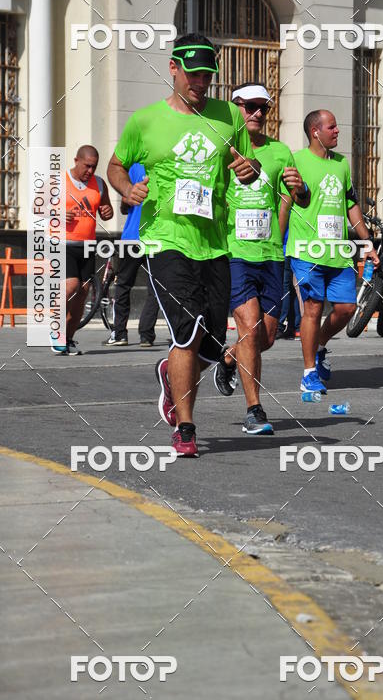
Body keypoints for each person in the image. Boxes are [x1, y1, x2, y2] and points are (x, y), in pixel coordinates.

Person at [107, 33, 260, 457]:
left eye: (207, 75)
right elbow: (116, 165)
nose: (200, 82)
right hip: (164, 238)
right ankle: (186, 427)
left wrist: (249, 170)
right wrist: (126, 189)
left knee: (209, 343)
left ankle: (168, 372)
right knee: (186, 329)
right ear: (173, 68)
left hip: (213, 241)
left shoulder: (229, 117)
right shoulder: (146, 121)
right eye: (193, 74)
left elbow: (246, 164)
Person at [222, 82, 310, 434]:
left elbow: (295, 198)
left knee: (267, 337)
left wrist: (300, 189)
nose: (258, 113)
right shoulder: (222, 149)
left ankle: (228, 357)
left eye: (264, 108)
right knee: (249, 325)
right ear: (236, 108)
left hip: (272, 254)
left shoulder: (280, 151)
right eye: (250, 106)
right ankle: (254, 410)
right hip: (235, 253)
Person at [286, 110, 379, 396]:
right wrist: (278, 246)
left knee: (347, 309)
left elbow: (350, 204)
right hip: (306, 251)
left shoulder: (341, 164)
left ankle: (320, 347)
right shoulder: (296, 161)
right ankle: (309, 373)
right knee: (312, 309)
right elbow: (284, 204)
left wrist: (367, 241)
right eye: (332, 127)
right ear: (315, 131)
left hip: (338, 252)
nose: (337, 131)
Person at [55, 145, 113, 356]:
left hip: (87, 244)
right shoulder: (59, 180)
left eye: (94, 166)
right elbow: (37, 206)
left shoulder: (99, 183)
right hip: (62, 243)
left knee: (83, 293)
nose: (90, 170)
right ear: (76, 160)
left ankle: (68, 339)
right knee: (71, 286)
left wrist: (107, 211)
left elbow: (106, 210)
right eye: (87, 166)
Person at [102, 162, 159, 348]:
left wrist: (127, 200)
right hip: (155, 238)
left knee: (123, 285)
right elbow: (125, 207)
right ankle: (146, 335)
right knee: (155, 288)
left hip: (132, 236)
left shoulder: (132, 168)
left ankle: (120, 334)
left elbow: (124, 208)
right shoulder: (164, 165)